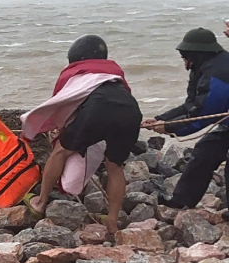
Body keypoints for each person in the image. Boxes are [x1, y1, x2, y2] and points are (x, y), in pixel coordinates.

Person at [21, 35, 142, 234]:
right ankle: (112, 220)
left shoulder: (74, 73)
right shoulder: (113, 72)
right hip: (131, 110)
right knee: (114, 166)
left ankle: (40, 203)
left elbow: (61, 101)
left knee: (60, 152)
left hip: (98, 109)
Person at [143, 28, 229, 211]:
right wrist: (161, 119)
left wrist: (168, 128)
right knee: (205, 151)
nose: (184, 62)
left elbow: (203, 115)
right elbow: (191, 104)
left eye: (185, 57)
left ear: (196, 54)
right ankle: (181, 201)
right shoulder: (203, 67)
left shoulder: (219, 73)